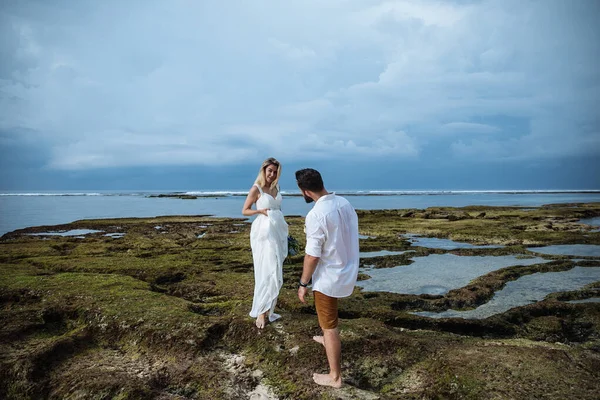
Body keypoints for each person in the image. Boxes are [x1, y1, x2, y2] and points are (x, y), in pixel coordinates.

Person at [295, 168, 359, 388]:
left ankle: (335, 377)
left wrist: (303, 283)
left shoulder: (316, 215)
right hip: (347, 270)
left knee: (329, 326)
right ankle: (326, 340)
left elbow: (312, 255)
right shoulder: (344, 203)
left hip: (329, 277)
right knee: (329, 319)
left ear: (304, 191)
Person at [242, 158, 288, 329]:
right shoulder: (257, 188)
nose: (272, 174)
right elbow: (245, 210)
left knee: (275, 268)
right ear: (263, 171)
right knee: (266, 269)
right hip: (263, 231)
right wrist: (259, 211)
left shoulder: (276, 188)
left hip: (277, 231)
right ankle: (261, 312)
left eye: (275, 171)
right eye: (269, 171)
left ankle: (269, 308)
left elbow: (278, 209)